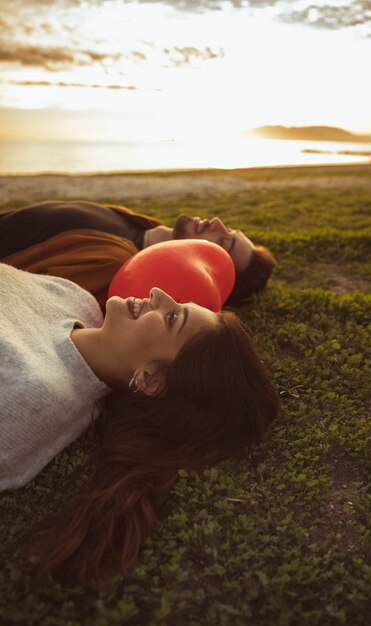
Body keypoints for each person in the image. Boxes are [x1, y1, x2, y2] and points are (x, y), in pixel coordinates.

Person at [0, 262, 278, 584]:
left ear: (151, 381)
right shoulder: (77, 300)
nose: (157, 293)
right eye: (176, 301)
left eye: (172, 318)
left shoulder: (31, 400)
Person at [0, 200, 276, 304]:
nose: (218, 223)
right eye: (231, 230)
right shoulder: (143, 225)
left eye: (224, 241)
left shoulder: (112, 262)